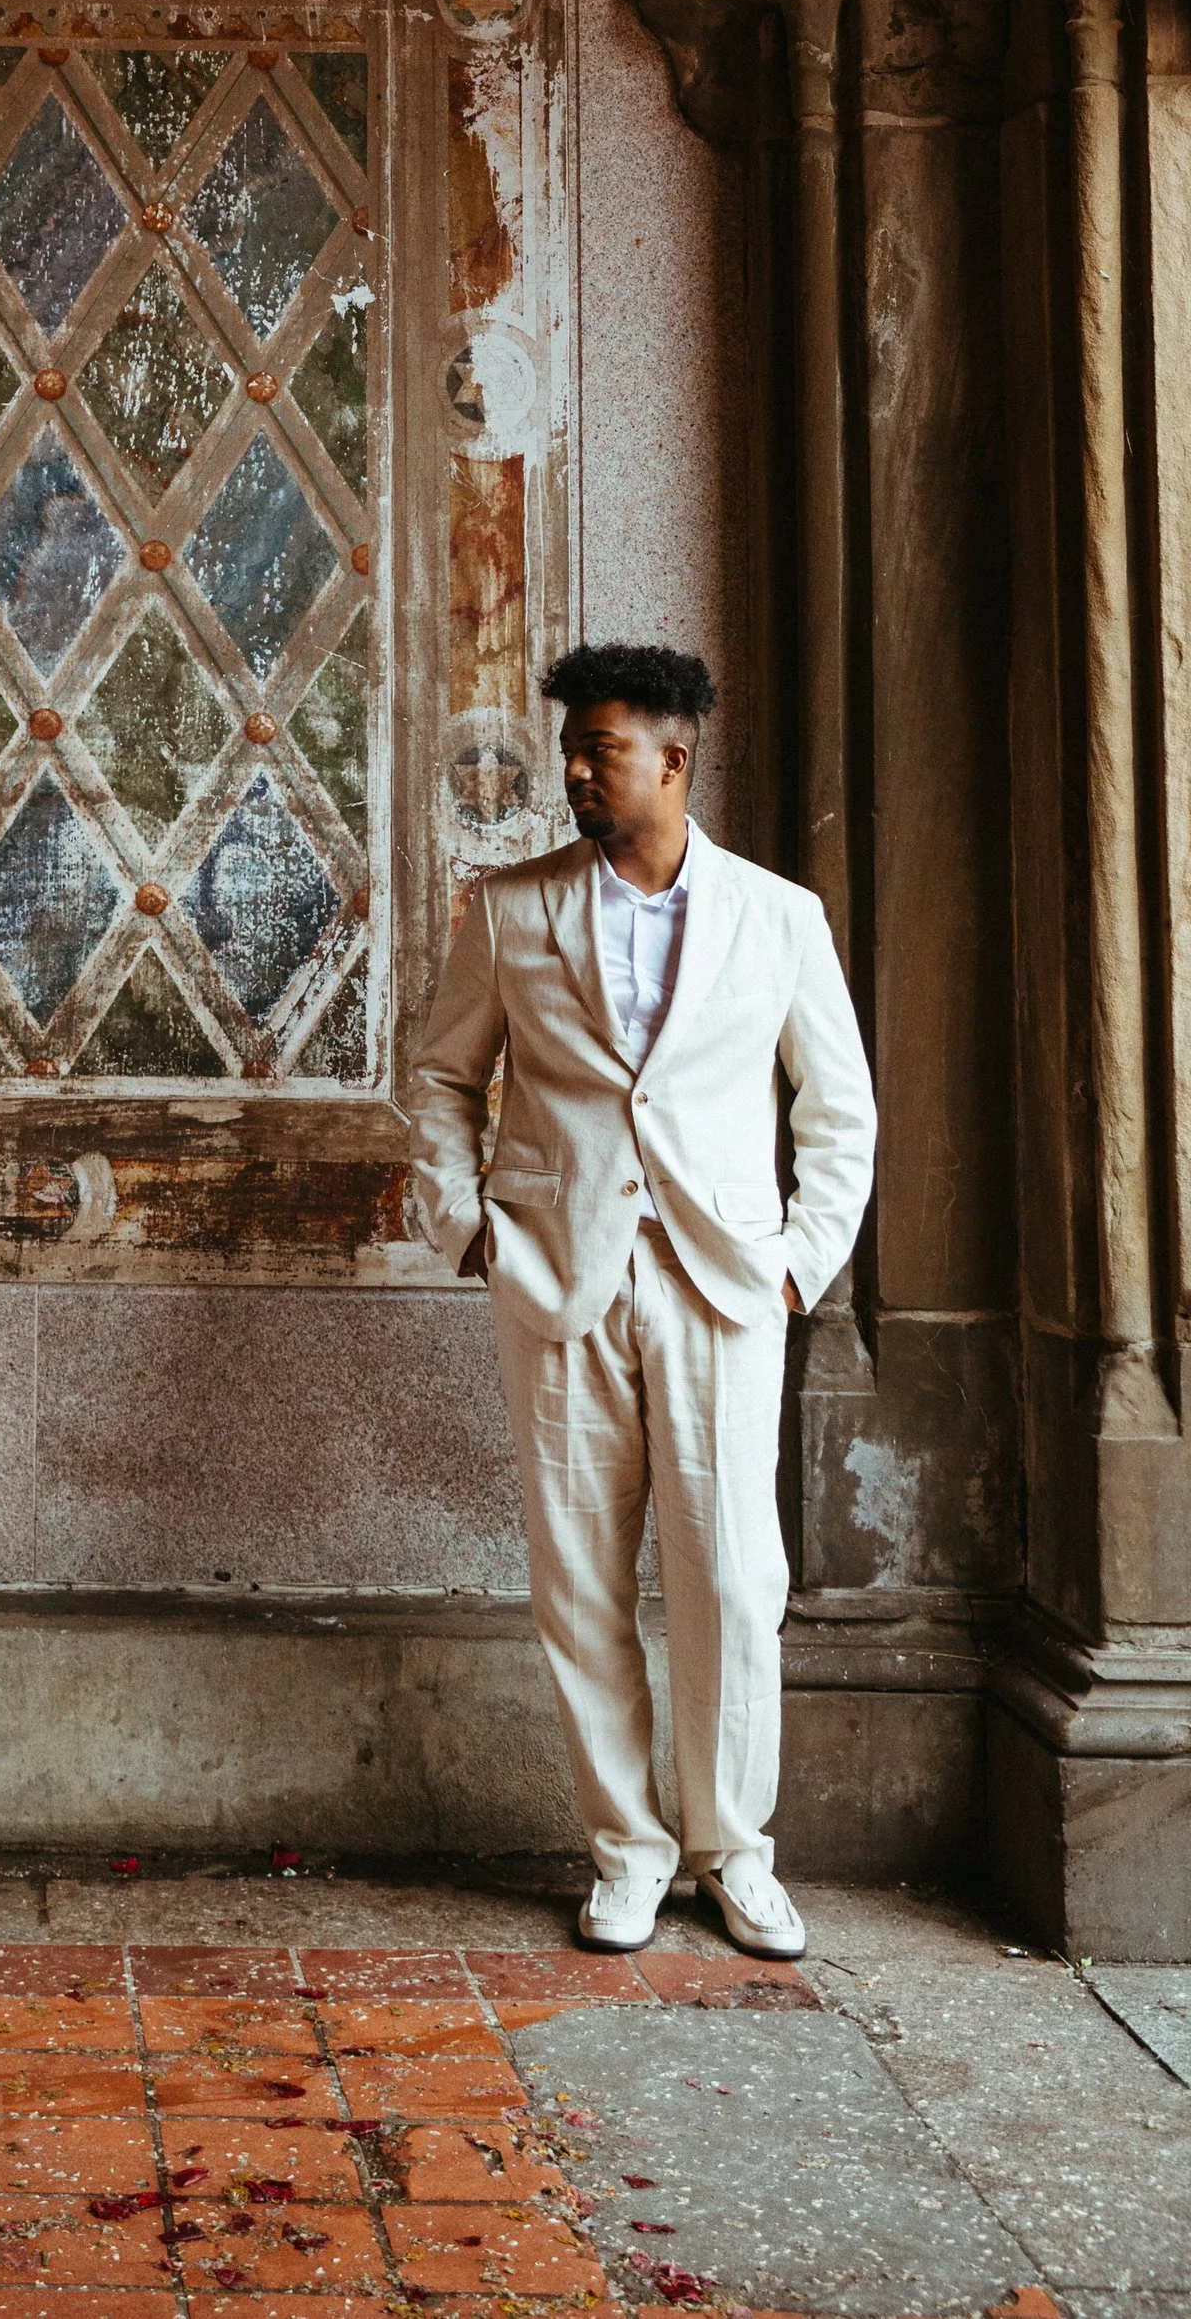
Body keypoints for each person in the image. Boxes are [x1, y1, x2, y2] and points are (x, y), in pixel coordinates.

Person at [405, 645, 875, 1960]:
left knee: (733, 1572)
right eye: (573, 747)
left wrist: (799, 1258)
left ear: (674, 760)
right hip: (559, 1282)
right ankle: (626, 1846)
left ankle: (734, 1850)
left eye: (599, 749)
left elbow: (840, 1109)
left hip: (725, 1283)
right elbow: (443, 1079)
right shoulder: (508, 909)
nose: (572, 770)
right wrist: (472, 1228)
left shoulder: (779, 917)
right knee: (579, 1582)